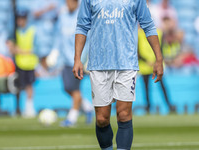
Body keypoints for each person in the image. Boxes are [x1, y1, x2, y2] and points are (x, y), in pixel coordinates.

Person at [73, 0, 164, 150]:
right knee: (102, 118)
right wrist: (77, 58)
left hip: (126, 63)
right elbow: (82, 26)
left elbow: (148, 25)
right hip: (98, 63)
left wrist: (159, 59)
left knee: (123, 114)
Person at [53, 0, 93, 127]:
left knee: (75, 89)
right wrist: (54, 52)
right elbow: (59, 36)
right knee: (67, 88)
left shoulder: (82, 15)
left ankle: (72, 117)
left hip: (77, 61)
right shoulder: (63, 16)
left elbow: (88, 39)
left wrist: (84, 58)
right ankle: (87, 108)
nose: (69, 4)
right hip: (65, 60)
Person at [138, 27, 175, 113]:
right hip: (145, 65)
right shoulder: (139, 34)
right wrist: (147, 60)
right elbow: (138, 51)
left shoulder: (159, 32)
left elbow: (161, 48)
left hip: (156, 64)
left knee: (162, 86)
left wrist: (156, 61)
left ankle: (169, 106)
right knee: (147, 88)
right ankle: (148, 108)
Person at [10, 9, 38, 117]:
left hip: (30, 63)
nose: (20, 21)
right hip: (19, 63)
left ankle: (29, 107)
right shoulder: (15, 32)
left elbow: (36, 48)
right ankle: (18, 108)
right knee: (19, 86)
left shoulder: (32, 31)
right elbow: (11, 47)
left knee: (29, 86)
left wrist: (20, 51)